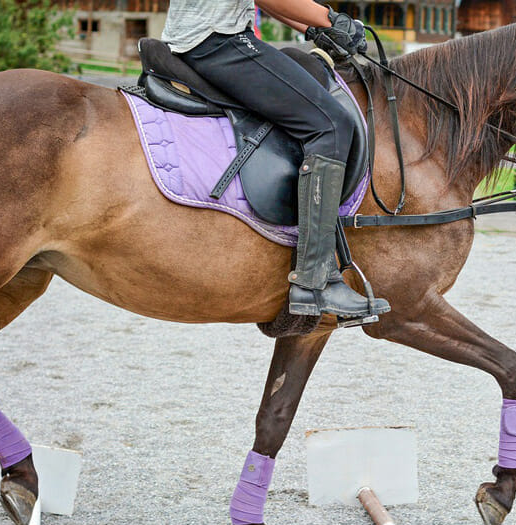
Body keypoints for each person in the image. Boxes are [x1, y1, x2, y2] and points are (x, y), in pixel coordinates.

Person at [162, 0, 390, 320]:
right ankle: (315, 281)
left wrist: (314, 28)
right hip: (217, 41)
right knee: (331, 125)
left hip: (205, 37)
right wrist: (330, 19)